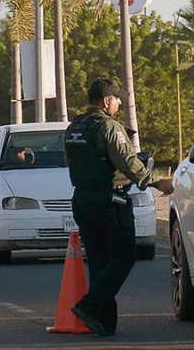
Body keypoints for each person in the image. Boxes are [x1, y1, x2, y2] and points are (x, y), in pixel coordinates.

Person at [63, 78, 174, 336]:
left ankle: (104, 323)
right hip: (110, 201)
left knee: (100, 260)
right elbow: (127, 162)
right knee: (124, 257)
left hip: (82, 199)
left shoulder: (74, 127)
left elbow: (70, 160)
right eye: (117, 99)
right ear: (106, 101)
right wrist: (157, 181)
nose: (120, 102)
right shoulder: (110, 127)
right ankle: (89, 307)